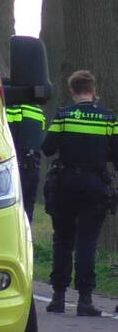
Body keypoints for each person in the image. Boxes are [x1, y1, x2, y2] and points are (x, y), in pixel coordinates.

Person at [42, 70, 118, 316]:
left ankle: (58, 297)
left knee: (63, 240)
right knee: (87, 242)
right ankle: (85, 300)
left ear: (72, 91)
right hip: (95, 186)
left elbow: (47, 148)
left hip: (65, 185)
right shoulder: (108, 118)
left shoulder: (63, 115)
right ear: (93, 90)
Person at [6, 99, 45, 222]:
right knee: (26, 215)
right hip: (32, 167)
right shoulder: (38, 110)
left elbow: (5, 134)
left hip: (13, 168)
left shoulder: (11, 105)